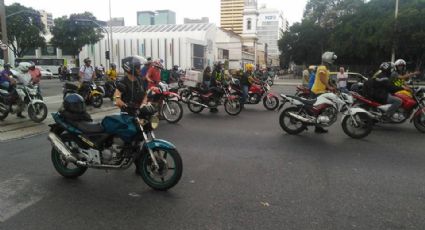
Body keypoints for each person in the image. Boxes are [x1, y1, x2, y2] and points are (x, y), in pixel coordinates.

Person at [311, 51, 337, 133]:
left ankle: (318, 127)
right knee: (319, 110)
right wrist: (329, 87)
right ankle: (318, 128)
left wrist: (333, 86)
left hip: (321, 91)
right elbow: (322, 79)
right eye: (331, 60)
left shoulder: (325, 69)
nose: (332, 63)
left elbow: (327, 80)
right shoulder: (322, 68)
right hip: (317, 92)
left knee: (321, 110)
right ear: (327, 59)